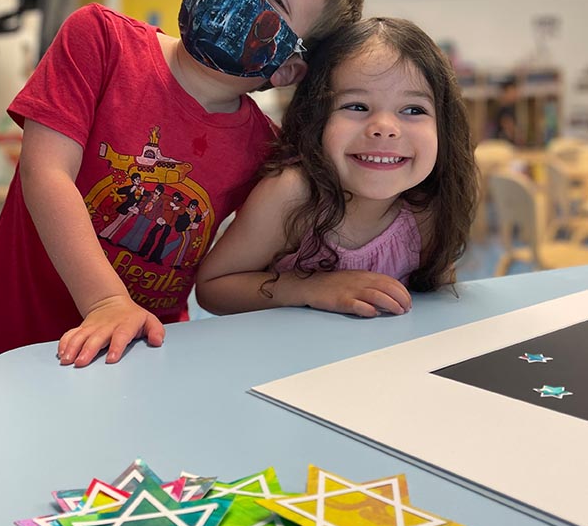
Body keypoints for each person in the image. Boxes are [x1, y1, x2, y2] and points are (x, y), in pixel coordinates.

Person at [0, 0, 363, 367]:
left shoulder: (263, 149)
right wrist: (106, 301)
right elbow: (45, 173)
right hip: (21, 338)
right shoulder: (99, 38)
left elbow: (271, 247)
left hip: (142, 351)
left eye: (277, 0)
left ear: (284, 69)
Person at [196, 17, 479, 318]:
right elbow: (213, 288)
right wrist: (310, 288)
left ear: (443, 128)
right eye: (356, 106)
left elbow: (434, 307)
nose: (385, 128)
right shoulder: (292, 194)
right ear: (316, 117)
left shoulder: (427, 210)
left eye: (413, 110)